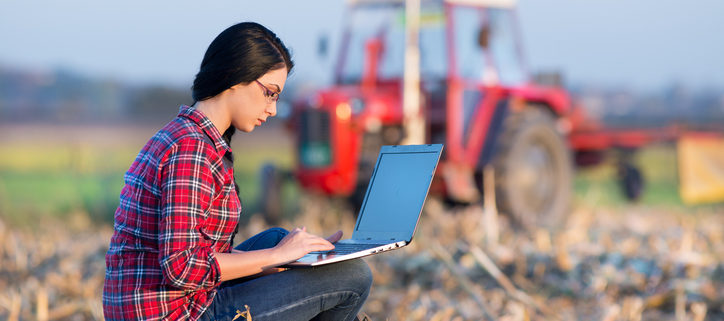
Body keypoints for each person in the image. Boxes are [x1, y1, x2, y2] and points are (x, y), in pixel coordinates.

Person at [103, 22, 373, 321]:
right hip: (175, 313)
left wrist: (286, 258)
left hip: (181, 301)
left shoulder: (192, 137)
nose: (272, 109)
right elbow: (181, 268)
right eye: (270, 93)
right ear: (234, 77)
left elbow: (197, 253)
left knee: (276, 239)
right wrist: (276, 257)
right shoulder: (191, 150)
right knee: (352, 276)